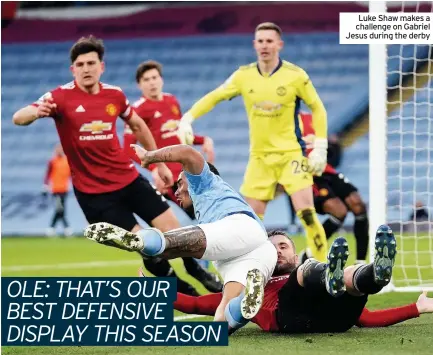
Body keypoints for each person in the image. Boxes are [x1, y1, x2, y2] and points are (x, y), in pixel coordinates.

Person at [11, 35, 201, 296]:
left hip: (129, 179)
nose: (86, 69)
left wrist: (157, 162)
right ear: (73, 69)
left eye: (91, 63)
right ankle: (179, 286)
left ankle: (197, 271)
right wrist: (34, 112)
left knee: (176, 231)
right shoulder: (59, 96)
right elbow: (18, 117)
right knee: (144, 242)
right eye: (80, 64)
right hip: (95, 194)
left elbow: (137, 125)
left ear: (102, 66)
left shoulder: (115, 95)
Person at [177, 22, 329, 262]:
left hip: (291, 155)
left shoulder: (295, 76)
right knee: (251, 225)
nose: (264, 46)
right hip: (259, 159)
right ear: (254, 45)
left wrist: (320, 147)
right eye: (260, 41)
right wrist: (188, 118)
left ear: (279, 44)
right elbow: (214, 96)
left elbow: (318, 108)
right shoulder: (243, 76)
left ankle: (323, 268)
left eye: (269, 41)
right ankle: (255, 270)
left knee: (308, 214)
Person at [84, 143, 278, 330]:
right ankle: (244, 305)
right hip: (257, 251)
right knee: (222, 318)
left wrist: (150, 157)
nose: (176, 191)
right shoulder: (212, 202)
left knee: (173, 242)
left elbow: (187, 152)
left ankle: (138, 240)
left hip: (239, 230)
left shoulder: (204, 182)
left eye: (180, 183)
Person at [173, 227, 405, 334]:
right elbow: (194, 304)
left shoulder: (303, 271)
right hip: (289, 318)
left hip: (335, 320)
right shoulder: (251, 286)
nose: (278, 252)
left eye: (283, 246)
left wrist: (417, 308)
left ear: (293, 255)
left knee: (349, 276)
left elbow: (367, 318)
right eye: (272, 249)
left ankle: (377, 274)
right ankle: (350, 276)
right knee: (312, 272)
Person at [124, 60, 219, 279]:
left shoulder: (171, 101)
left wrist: (203, 140)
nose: (151, 83)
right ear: (140, 85)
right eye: (146, 80)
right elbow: (129, 147)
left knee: (209, 216)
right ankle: (201, 262)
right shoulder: (138, 110)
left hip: (188, 174)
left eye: (154, 78)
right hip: (169, 179)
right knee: (203, 215)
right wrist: (156, 168)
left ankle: (203, 258)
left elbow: (177, 136)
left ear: (161, 79)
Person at [298, 112, 369, 264]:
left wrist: (331, 143)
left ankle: (360, 263)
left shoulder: (310, 117)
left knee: (358, 205)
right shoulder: (282, 120)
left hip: (325, 169)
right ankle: (310, 252)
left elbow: (323, 143)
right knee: (339, 211)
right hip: (305, 172)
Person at [43, 143, 72, 237]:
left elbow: (71, 174)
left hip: (64, 189)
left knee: (61, 209)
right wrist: (45, 185)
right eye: (57, 149)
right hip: (55, 189)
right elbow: (48, 174)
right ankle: (65, 228)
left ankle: (53, 228)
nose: (59, 151)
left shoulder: (67, 161)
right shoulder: (52, 161)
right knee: (59, 209)